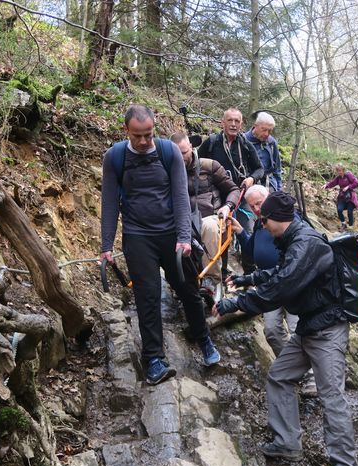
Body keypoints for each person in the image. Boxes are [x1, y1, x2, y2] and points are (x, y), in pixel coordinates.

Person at [213, 191, 358, 466]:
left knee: (332, 396)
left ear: (278, 219)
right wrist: (249, 279)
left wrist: (235, 304)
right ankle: (287, 443)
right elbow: (281, 271)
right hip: (308, 327)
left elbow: (281, 287)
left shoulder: (306, 243)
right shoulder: (293, 239)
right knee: (279, 376)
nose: (262, 224)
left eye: (264, 219)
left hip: (328, 330)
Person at [101, 105, 220, 386]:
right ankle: (154, 359)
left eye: (148, 135)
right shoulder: (115, 157)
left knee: (189, 289)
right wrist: (106, 244)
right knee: (148, 296)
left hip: (171, 234)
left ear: (155, 129)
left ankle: (204, 339)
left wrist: (183, 237)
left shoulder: (168, 152)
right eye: (137, 136)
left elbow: (181, 196)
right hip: (137, 235)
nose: (143, 141)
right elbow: (108, 203)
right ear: (126, 131)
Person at [228, 185, 317, 397]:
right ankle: (297, 370)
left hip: (293, 283)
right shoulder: (260, 224)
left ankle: (312, 377)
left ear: (269, 198)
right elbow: (251, 251)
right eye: (252, 206)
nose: (257, 208)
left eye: (259, 203)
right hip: (269, 284)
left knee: (298, 330)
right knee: (272, 331)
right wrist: (241, 232)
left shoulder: (290, 221)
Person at [171, 133, 240, 300]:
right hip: (182, 220)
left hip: (212, 217)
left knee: (207, 227)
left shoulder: (210, 166)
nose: (181, 157)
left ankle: (212, 281)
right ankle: (180, 281)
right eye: (177, 154)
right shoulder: (168, 171)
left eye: (184, 152)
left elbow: (233, 190)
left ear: (192, 149)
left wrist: (227, 206)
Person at [198, 108, 263, 274]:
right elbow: (197, 164)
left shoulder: (246, 145)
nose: (233, 124)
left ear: (241, 124)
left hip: (242, 196)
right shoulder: (211, 143)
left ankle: (250, 272)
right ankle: (223, 270)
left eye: (237, 121)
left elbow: (259, 169)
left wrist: (251, 179)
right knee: (220, 232)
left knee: (246, 230)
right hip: (217, 196)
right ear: (223, 122)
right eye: (230, 120)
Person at [245, 112, 283, 192]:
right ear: (255, 125)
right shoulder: (243, 141)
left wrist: (279, 190)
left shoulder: (271, 142)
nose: (266, 134)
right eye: (264, 130)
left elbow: (277, 169)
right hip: (249, 183)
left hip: (268, 183)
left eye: (269, 131)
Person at [324, 164, 358, 231]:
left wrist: (348, 187)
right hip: (342, 196)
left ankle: (350, 227)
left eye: (340, 170)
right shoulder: (338, 178)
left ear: (343, 170)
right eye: (338, 171)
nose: (339, 172)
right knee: (339, 210)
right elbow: (332, 183)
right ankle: (343, 224)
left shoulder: (348, 175)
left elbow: (356, 183)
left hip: (350, 196)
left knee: (350, 212)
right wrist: (326, 186)